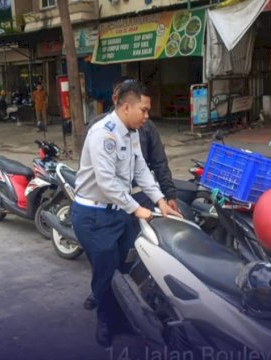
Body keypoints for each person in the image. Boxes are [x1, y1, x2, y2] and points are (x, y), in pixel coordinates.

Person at [72, 80, 181, 347]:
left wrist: (160, 199)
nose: (147, 117)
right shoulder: (103, 134)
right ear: (126, 107)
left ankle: (119, 316)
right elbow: (107, 182)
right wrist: (138, 208)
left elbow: (141, 169)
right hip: (94, 216)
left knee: (122, 268)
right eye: (143, 111)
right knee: (106, 271)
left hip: (118, 211)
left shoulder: (131, 132)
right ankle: (106, 320)